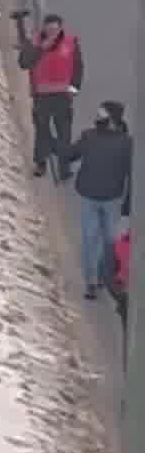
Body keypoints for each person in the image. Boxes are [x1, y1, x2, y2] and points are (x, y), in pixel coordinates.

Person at [76, 102, 133, 303]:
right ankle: (98, 277)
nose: (97, 118)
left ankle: (94, 279)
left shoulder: (90, 136)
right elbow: (132, 175)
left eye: (101, 115)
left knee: (93, 240)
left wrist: (57, 148)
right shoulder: (126, 142)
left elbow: (71, 154)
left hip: (94, 196)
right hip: (108, 198)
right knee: (106, 240)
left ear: (111, 120)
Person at [24, 17, 84, 180]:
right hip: (41, 97)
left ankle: (64, 168)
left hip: (62, 97)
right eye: (49, 29)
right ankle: (40, 163)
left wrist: (73, 89)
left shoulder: (71, 42)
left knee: (64, 134)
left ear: (60, 29)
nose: (52, 33)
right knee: (41, 132)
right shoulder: (35, 41)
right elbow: (24, 62)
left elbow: (78, 67)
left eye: (55, 30)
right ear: (44, 28)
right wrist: (40, 48)